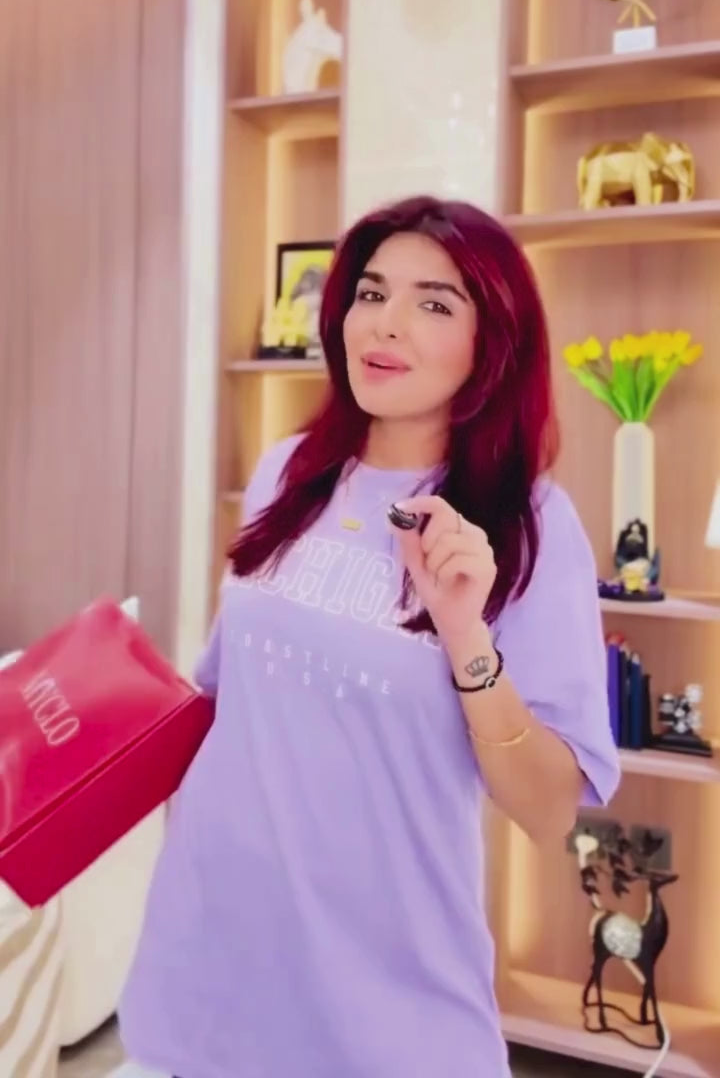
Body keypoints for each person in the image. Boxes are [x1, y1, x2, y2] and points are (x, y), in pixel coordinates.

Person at [120, 196, 620, 1078]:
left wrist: (465, 632)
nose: (385, 324)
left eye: (434, 303)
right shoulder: (289, 472)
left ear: (492, 344)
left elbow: (548, 809)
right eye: (372, 293)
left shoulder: (529, 525)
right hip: (212, 957)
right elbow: (222, 704)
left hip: (387, 1005)